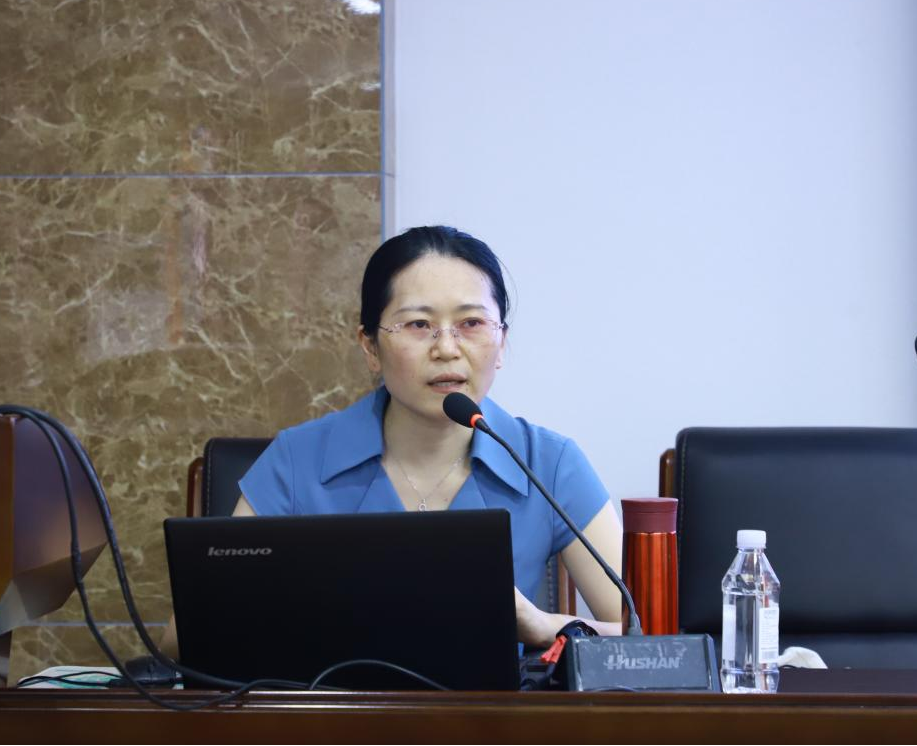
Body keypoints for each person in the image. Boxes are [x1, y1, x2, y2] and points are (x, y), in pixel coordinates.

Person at [162, 225, 622, 655]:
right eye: (418, 325)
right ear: (370, 346)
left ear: (501, 343)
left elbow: (648, 632)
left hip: (491, 712)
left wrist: (544, 626)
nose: (447, 348)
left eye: (471, 323)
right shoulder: (297, 459)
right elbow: (183, 638)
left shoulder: (548, 462)